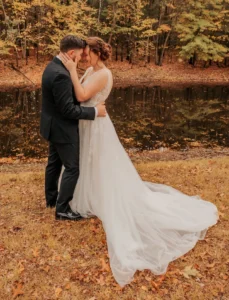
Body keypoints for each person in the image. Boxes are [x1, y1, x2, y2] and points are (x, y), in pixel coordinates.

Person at [59, 36, 218, 287]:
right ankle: (88, 194)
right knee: (88, 163)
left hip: (97, 126)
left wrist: (69, 70)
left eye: (88, 53)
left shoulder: (103, 74)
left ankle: (105, 197)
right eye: (84, 53)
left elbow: (80, 97)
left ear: (98, 53)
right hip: (88, 123)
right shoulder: (90, 69)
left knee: (101, 164)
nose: (84, 57)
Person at [40, 35, 106, 221]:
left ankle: (51, 200)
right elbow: (68, 110)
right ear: (71, 53)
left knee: (54, 164)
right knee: (72, 168)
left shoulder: (52, 65)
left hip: (52, 125)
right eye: (78, 55)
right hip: (62, 128)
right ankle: (62, 210)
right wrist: (94, 112)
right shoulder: (61, 75)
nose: (81, 58)